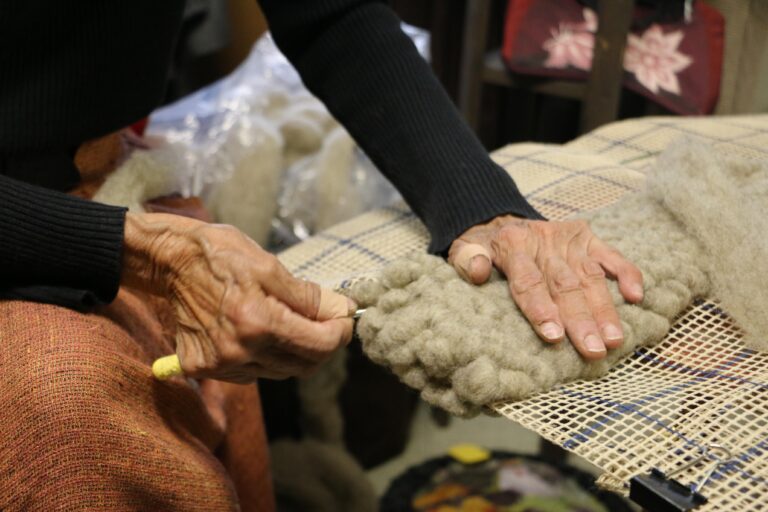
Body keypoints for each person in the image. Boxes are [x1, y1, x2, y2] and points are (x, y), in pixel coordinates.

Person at [0, 1, 643, 509]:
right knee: (69, 414)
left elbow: (330, 13)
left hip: (104, 175)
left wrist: (478, 204)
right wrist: (140, 250)